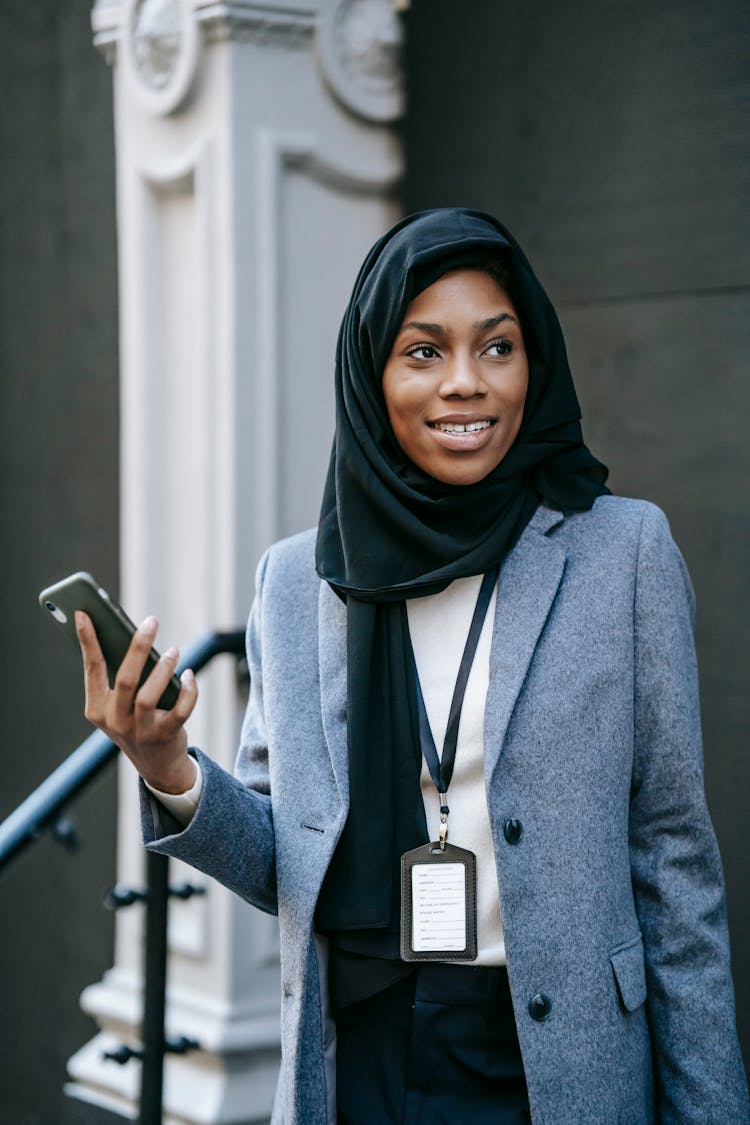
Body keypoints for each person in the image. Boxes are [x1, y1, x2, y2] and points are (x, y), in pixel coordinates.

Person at [75, 209, 749, 1124]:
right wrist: (169, 770)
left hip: (562, 1060)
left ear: (534, 361)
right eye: (423, 352)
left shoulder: (621, 554)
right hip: (361, 1055)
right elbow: (290, 862)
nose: (465, 384)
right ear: (371, 376)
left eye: (497, 347)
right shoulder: (297, 580)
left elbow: (676, 868)